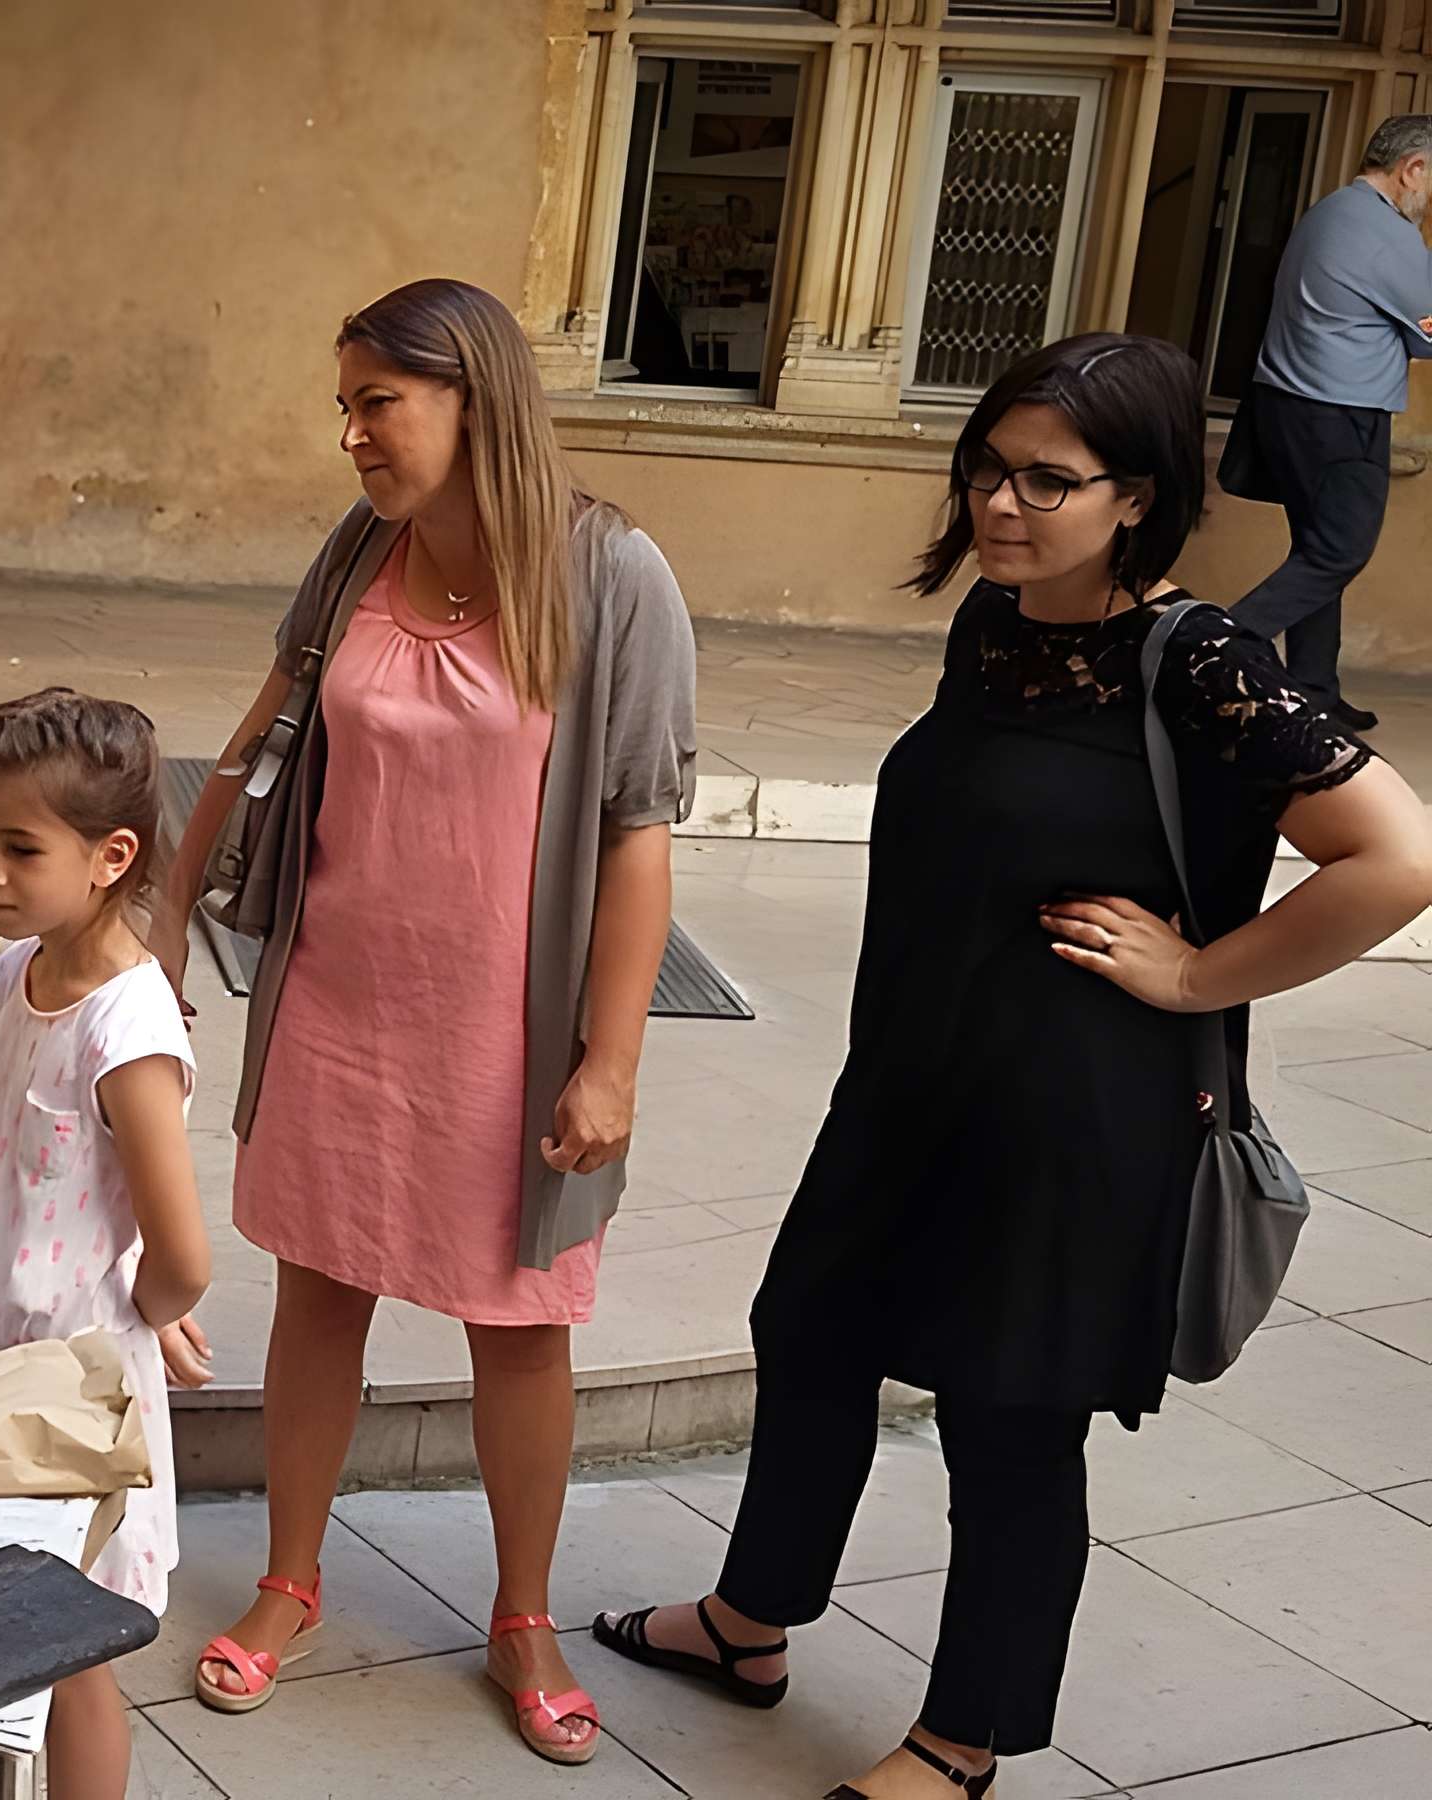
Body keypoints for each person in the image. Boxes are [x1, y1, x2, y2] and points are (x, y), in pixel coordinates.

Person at [596, 334, 1432, 1800]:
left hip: (1077, 1116)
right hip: (916, 1081)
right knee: (810, 1334)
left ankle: (964, 1739)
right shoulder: (999, 624)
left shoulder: (1206, 663)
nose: (1003, 501)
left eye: (1051, 479)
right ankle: (750, 1623)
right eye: (989, 464)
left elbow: (1397, 856)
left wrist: (1195, 974)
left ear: (1139, 495)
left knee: (1010, 1413)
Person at [153, 278, 697, 1764]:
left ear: (473, 398)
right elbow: (262, 733)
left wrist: (613, 1056)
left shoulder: (611, 573)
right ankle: (287, 1581)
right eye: (346, 405)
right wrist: (162, 927)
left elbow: (640, 827)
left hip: (507, 1031)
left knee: (520, 1326)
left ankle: (522, 1617)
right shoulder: (363, 554)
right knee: (321, 1291)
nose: (352, 436)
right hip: (338, 997)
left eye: (376, 403)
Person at [0, 689, 213, 1800]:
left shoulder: (127, 1031)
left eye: (18, 848)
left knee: (73, 1658)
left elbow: (182, 1251)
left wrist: (146, 1315)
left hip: (75, 1396)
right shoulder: (23, 974)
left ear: (110, 856)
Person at [1219, 112, 1432, 732]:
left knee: (1317, 549)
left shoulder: (1331, 211)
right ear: (1412, 168)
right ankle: (1212, 646)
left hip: (1288, 408)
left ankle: (1312, 687)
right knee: (1339, 552)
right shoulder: (1387, 234)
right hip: (1339, 414)